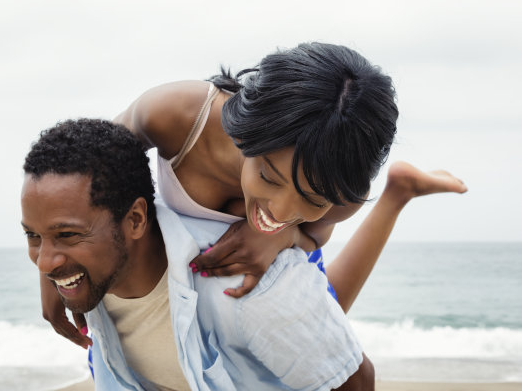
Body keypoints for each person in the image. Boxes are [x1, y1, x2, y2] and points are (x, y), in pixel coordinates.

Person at [40, 42, 467, 348]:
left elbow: (314, 237)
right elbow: (81, 173)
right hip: (167, 263)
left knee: (318, 322)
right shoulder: (175, 116)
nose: (281, 210)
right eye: (269, 176)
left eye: (311, 199)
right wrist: (54, 268)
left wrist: (284, 237)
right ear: (246, 134)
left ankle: (397, 192)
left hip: (263, 262)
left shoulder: (343, 188)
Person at [21, 119, 374, 390]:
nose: (45, 260)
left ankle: (395, 195)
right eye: (33, 236)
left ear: (135, 220)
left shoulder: (251, 291)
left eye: (67, 235)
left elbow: (354, 381)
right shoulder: (95, 276)